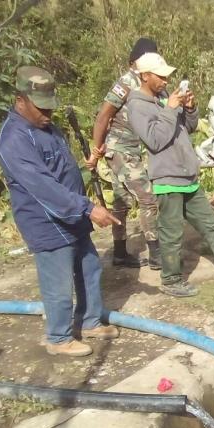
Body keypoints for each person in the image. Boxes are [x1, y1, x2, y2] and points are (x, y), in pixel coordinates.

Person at [0, 66, 121, 357]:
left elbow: (63, 171)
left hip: (73, 214)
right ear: (20, 100)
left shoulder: (47, 127)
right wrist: (88, 208)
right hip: (46, 221)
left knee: (89, 268)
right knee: (58, 283)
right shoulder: (13, 139)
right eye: (41, 108)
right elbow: (43, 187)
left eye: (50, 107)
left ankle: (90, 321)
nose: (47, 114)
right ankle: (59, 337)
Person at [126, 52, 214, 297]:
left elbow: (189, 128)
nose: (165, 80)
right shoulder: (137, 105)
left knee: (211, 223)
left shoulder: (163, 98)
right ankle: (171, 280)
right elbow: (154, 140)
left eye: (166, 76)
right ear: (145, 76)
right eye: (160, 76)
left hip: (188, 176)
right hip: (168, 179)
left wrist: (190, 109)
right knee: (172, 233)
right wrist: (171, 109)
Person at [87, 37, 160, 269]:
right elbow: (104, 115)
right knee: (148, 198)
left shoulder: (153, 83)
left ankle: (119, 252)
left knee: (122, 201)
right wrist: (95, 151)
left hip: (134, 150)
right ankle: (157, 253)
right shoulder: (126, 82)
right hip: (119, 149)